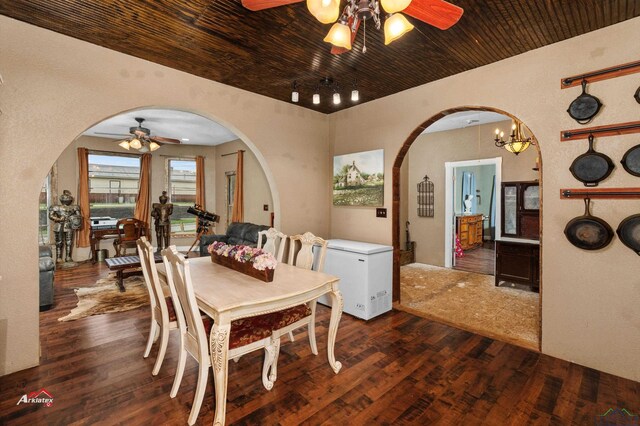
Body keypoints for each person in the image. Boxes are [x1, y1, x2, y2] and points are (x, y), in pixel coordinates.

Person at [48, 189, 82, 263]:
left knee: (69, 242)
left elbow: (78, 217)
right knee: (59, 242)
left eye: (68, 198)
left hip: (69, 225)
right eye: (65, 198)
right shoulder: (56, 207)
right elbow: (50, 216)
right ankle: (59, 258)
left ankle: (68, 257)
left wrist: (73, 219)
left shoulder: (75, 207)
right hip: (59, 225)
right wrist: (58, 219)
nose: (67, 199)